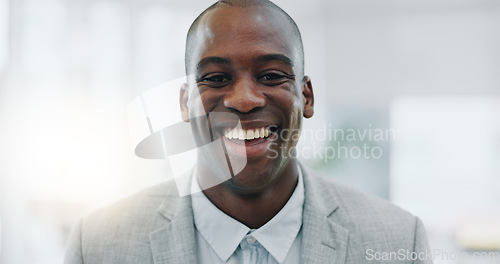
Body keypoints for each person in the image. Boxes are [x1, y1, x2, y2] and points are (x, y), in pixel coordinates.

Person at [65, 0, 432, 263]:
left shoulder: (399, 240)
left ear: (305, 96)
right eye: (217, 78)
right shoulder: (97, 245)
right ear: (185, 103)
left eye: (271, 75)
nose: (243, 100)